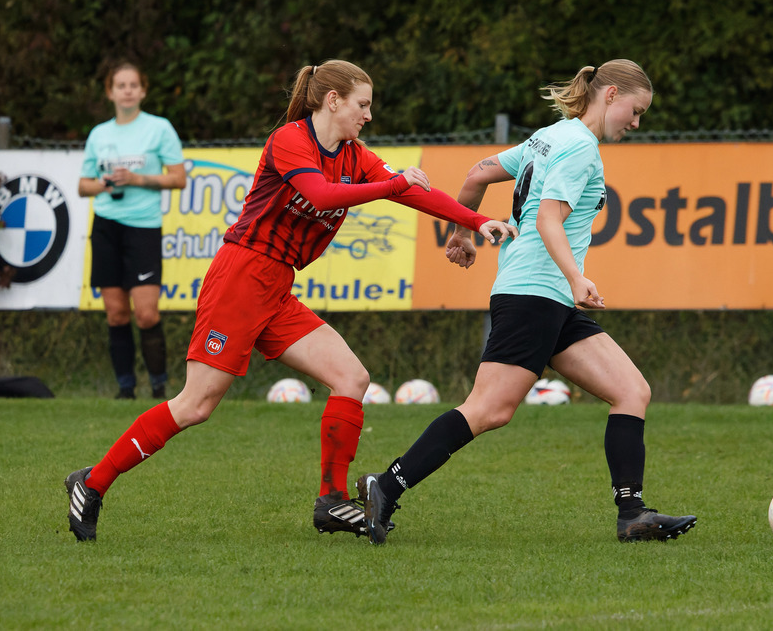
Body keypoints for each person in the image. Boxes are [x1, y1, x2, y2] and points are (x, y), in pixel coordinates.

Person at [64, 59, 517, 542]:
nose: (368, 115)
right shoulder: (289, 140)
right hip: (241, 278)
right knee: (195, 404)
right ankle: (92, 483)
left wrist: (475, 221)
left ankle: (332, 501)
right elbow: (321, 195)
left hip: (276, 285)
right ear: (333, 100)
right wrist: (394, 184)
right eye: (363, 105)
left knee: (351, 378)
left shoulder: (354, 155)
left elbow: (415, 194)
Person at [356, 60, 697, 544]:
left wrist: (462, 233)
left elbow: (476, 175)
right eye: (636, 111)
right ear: (610, 95)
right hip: (534, 293)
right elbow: (547, 221)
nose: (637, 123)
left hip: (548, 297)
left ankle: (633, 515)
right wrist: (577, 278)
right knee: (489, 409)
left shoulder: (549, 136)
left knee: (631, 391)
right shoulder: (580, 147)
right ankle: (386, 486)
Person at [78, 61, 187, 400]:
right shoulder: (99, 134)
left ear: (143, 90)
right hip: (106, 226)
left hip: (143, 227)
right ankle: (125, 390)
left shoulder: (159, 128)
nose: (127, 91)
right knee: (115, 313)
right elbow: (83, 185)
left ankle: (159, 388)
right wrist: (103, 184)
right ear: (109, 92)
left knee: (146, 313)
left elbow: (179, 178)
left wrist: (138, 179)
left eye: (133, 85)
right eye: (120, 86)